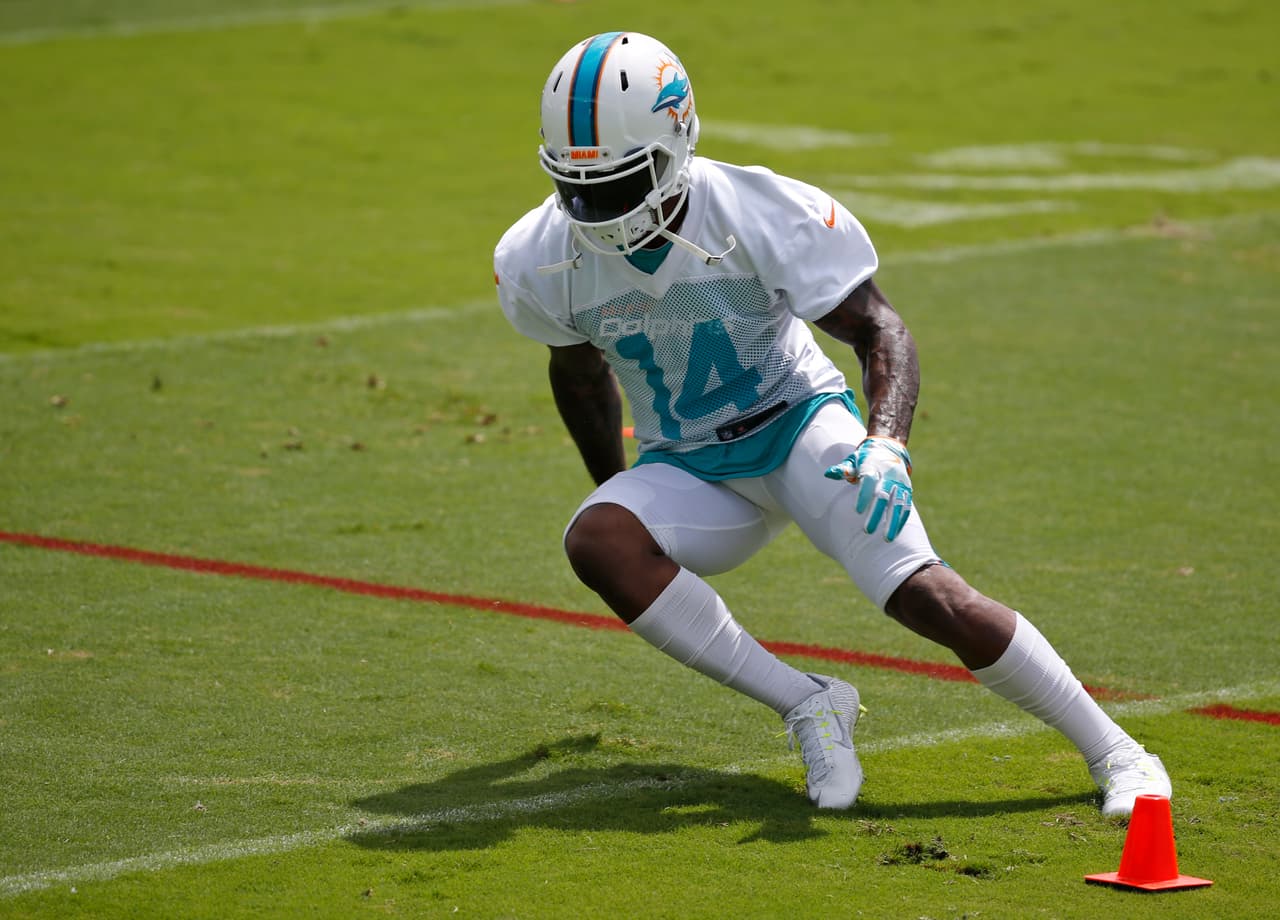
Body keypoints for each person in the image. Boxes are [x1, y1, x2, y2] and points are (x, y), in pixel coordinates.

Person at [493, 31, 1171, 816]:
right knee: (597, 539)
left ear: (677, 142)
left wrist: (886, 443)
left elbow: (881, 330)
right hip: (688, 463)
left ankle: (1118, 750)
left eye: (619, 183)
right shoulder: (537, 253)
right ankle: (807, 702)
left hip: (799, 427)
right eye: (580, 187)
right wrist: (624, 493)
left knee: (925, 595)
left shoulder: (758, 208)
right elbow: (576, 373)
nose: (597, 211)